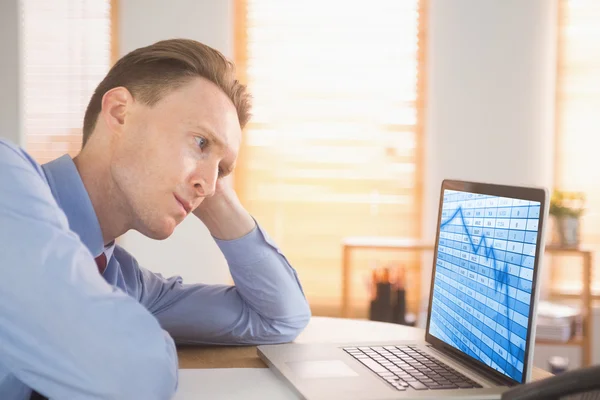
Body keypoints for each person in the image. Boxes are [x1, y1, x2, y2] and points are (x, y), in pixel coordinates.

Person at [0, 39, 311, 400]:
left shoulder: (126, 282)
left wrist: (214, 189)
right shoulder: (6, 179)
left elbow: (278, 319)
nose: (209, 185)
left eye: (223, 171)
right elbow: (133, 378)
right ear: (119, 112)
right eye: (200, 142)